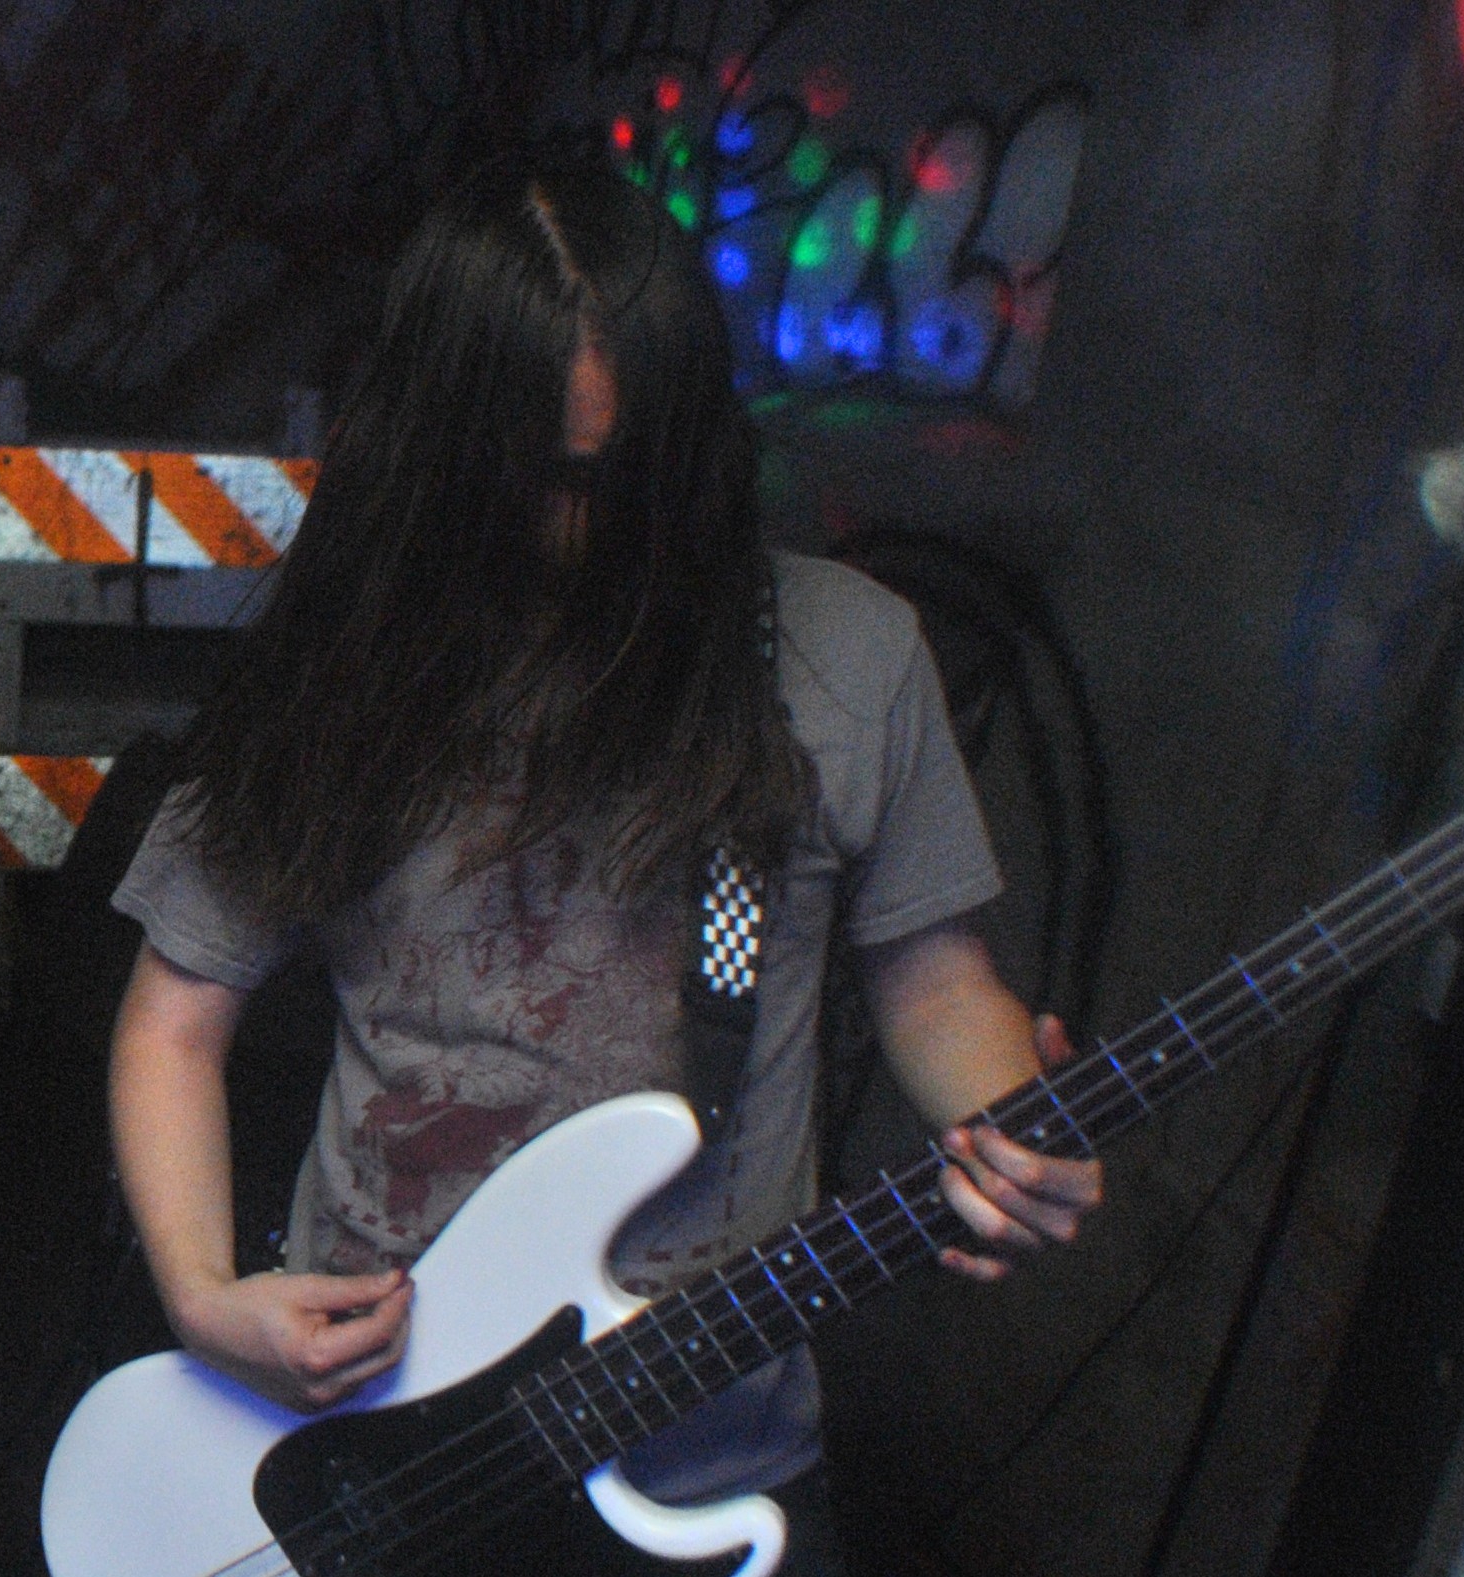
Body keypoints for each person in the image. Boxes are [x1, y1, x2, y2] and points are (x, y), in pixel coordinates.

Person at [102, 160, 1103, 1566]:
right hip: (374, 1447)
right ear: (446, 448)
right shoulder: (348, 666)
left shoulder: (846, 657)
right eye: (564, 479)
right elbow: (172, 1021)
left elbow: (935, 982)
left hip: (716, 1457)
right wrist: (204, 1294)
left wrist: (1009, 1129)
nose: (612, 520)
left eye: (645, 468)